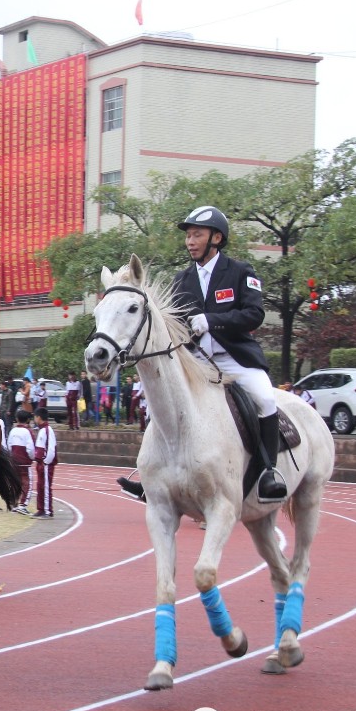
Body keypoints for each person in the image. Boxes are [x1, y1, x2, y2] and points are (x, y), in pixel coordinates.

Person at [118, 205, 287, 503]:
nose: (190, 241)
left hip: (235, 358)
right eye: (189, 236)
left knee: (265, 398)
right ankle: (150, 476)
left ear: (217, 238)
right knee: (162, 403)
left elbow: (254, 314)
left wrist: (212, 320)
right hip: (196, 362)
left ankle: (268, 473)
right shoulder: (181, 281)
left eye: (197, 235)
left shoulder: (240, 272)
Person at [6, 409, 35, 515]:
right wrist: (31, 458)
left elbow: (9, 445)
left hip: (14, 461)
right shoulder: (28, 432)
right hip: (24, 462)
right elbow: (31, 448)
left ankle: (14, 504)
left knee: (15, 482)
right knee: (27, 483)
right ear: (28, 420)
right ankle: (23, 505)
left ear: (17, 419)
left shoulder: (13, 431)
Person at [31, 406, 56, 518]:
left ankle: (46, 510)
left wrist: (46, 462)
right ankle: (41, 509)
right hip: (41, 463)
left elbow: (51, 448)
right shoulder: (41, 430)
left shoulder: (47, 430)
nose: (34, 419)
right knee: (40, 486)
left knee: (45, 487)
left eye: (35, 417)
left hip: (45, 464)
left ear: (39, 417)